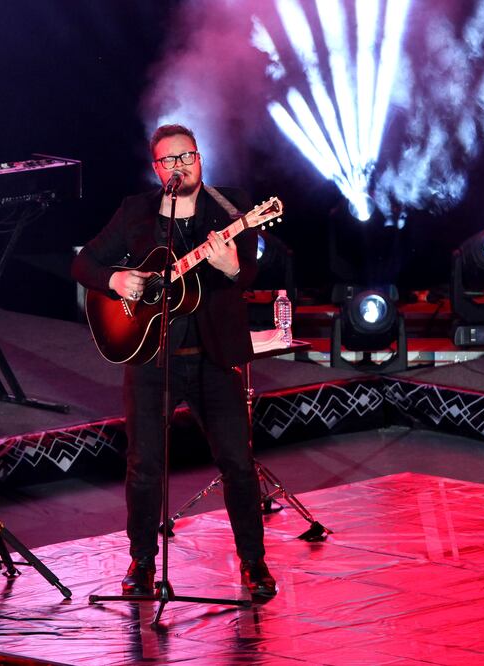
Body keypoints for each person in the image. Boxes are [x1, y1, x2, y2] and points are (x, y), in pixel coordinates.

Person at [72, 124, 276, 598]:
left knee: (238, 464)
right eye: (169, 160)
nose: (179, 166)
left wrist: (231, 267)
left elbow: (247, 272)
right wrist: (117, 281)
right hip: (151, 358)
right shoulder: (137, 210)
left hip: (213, 358)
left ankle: (254, 564)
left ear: (200, 159)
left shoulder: (230, 207)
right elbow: (85, 264)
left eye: (187, 157)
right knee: (144, 466)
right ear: (156, 168)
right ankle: (142, 563)